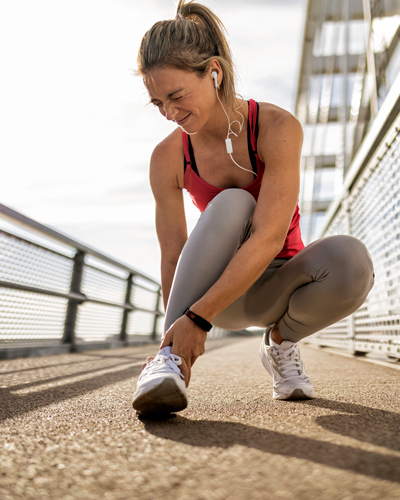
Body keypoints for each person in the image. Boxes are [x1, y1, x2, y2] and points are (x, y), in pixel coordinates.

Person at [132, 0, 375, 415]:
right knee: (231, 203)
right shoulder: (167, 157)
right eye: (157, 104)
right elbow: (174, 255)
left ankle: (280, 344)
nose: (169, 114)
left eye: (175, 96)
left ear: (214, 72)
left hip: (277, 285)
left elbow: (269, 237)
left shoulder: (278, 128)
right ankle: (165, 362)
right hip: (219, 295)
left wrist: (198, 320)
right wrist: (179, 329)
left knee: (352, 260)